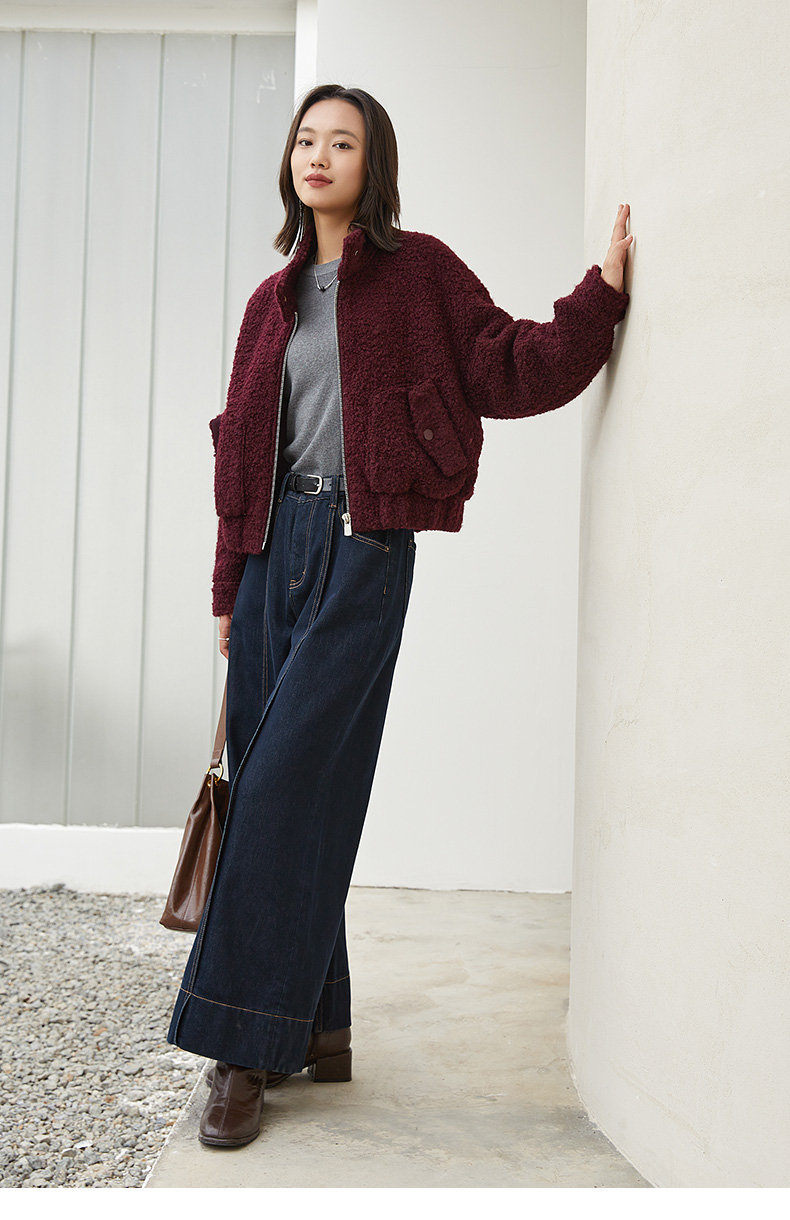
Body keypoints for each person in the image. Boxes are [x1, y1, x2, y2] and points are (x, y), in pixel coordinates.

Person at [167, 83, 633, 1149]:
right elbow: (238, 460)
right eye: (306, 139)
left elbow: (512, 366)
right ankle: (319, 1024)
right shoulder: (269, 302)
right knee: (292, 788)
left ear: (372, 165)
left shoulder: (420, 273)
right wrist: (227, 590)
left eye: (342, 142)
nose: (319, 155)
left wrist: (597, 300)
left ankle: (239, 1046)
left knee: (282, 789)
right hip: (268, 553)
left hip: (362, 549)